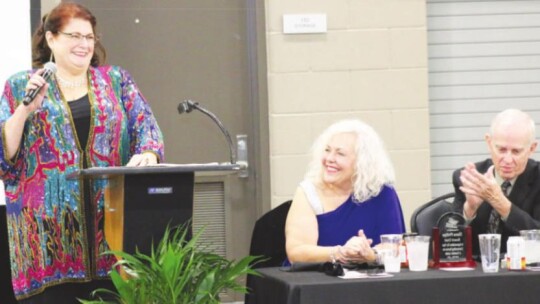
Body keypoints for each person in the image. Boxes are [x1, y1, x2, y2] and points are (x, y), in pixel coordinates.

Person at [0, 2, 164, 302]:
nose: (84, 44)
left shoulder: (116, 80)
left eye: (89, 37)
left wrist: (150, 154)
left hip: (112, 237)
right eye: (74, 36)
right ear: (51, 38)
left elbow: (147, 128)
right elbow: (4, 155)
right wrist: (25, 109)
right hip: (47, 244)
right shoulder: (21, 85)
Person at [285, 119, 406, 265]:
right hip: (316, 281)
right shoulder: (308, 192)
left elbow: (395, 248)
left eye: (340, 154)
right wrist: (339, 253)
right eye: (327, 150)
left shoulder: (381, 192)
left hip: (369, 281)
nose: (329, 159)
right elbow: (296, 253)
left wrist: (370, 255)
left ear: (362, 162)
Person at [453, 109, 540, 257]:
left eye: (516, 152)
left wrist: (499, 201)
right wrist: (469, 210)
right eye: (501, 149)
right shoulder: (471, 177)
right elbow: (450, 242)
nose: (507, 160)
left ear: (531, 148)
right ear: (489, 142)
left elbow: (536, 236)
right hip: (477, 273)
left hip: (524, 272)